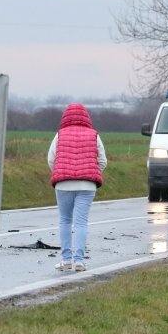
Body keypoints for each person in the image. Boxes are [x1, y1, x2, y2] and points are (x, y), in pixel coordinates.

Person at [48, 104, 107, 272]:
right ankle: (79, 261)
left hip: (63, 184)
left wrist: (60, 172)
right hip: (87, 185)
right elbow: (103, 161)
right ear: (86, 117)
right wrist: (91, 172)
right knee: (81, 223)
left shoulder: (59, 135)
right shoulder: (94, 135)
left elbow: (51, 159)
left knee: (65, 220)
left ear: (65, 117)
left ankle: (66, 260)